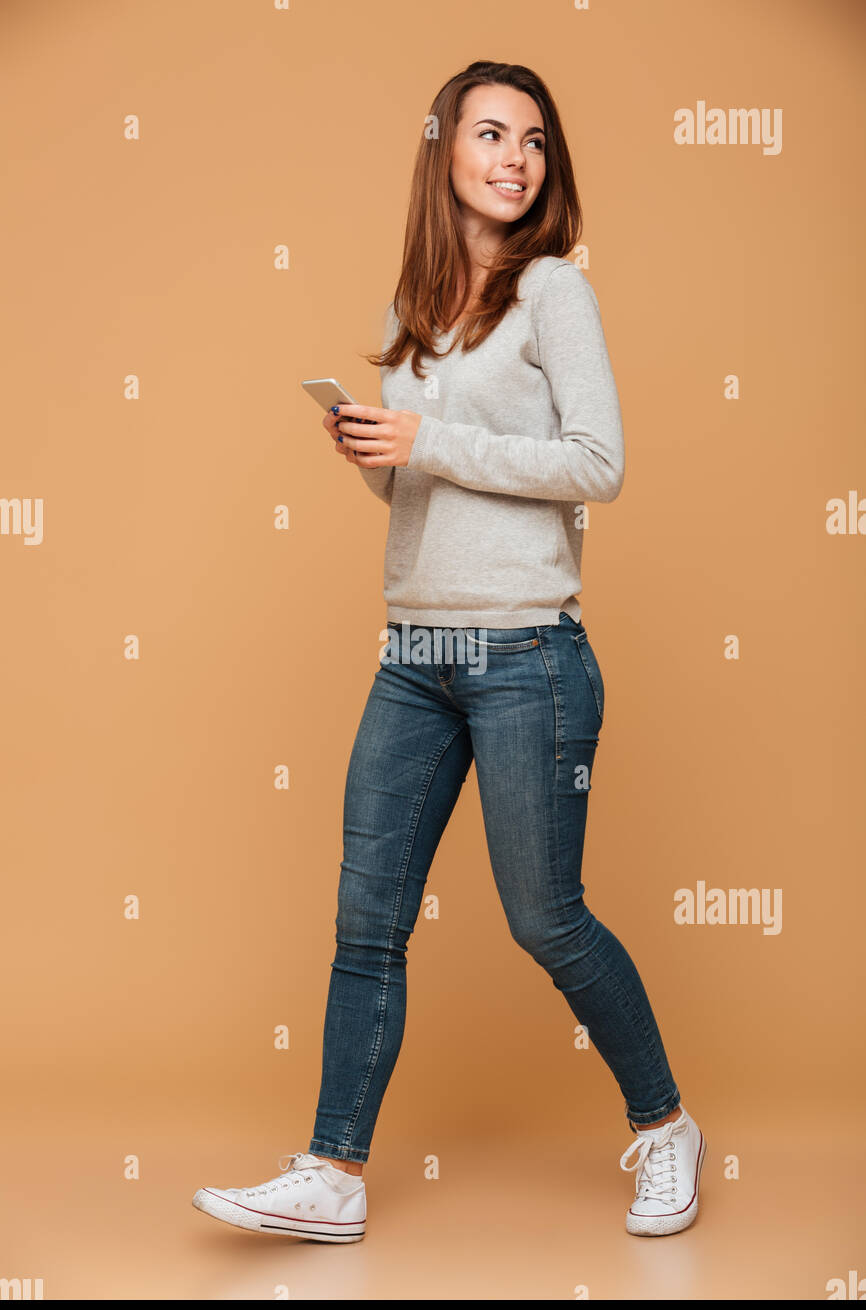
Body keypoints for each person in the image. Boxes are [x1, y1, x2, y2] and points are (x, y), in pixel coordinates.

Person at [193, 59, 706, 1245]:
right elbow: (423, 497)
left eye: (533, 140)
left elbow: (596, 466)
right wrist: (379, 453)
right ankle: (332, 1170)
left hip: (529, 653)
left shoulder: (553, 295)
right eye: (490, 134)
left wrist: (433, 431)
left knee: (545, 917)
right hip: (412, 652)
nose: (515, 157)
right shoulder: (410, 309)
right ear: (445, 151)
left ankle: (665, 1124)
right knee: (365, 916)